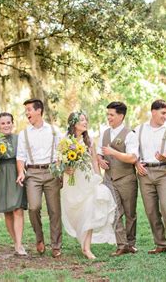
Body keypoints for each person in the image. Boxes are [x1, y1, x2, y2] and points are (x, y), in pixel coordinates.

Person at [61, 111, 117, 259]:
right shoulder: (65, 140)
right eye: (81, 120)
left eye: (86, 120)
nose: (85, 122)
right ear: (73, 123)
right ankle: (82, 240)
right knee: (77, 213)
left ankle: (87, 248)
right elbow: (59, 162)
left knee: (90, 210)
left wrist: (98, 177)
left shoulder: (90, 141)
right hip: (72, 180)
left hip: (87, 179)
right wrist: (66, 168)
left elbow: (93, 161)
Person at [16, 99, 63, 258]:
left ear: (39, 111)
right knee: (34, 207)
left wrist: (58, 169)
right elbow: (20, 156)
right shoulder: (24, 134)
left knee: (54, 211)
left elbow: (60, 152)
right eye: (26, 110)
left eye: (29, 110)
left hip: (51, 173)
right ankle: (39, 237)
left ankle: (56, 245)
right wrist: (21, 172)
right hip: (33, 174)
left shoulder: (54, 131)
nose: (27, 113)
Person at [135, 99, 166, 258]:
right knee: (151, 211)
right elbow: (133, 151)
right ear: (153, 112)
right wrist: (136, 163)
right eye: (163, 113)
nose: (165, 116)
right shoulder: (139, 130)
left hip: (163, 172)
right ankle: (161, 243)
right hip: (145, 173)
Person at [97, 101, 139, 256]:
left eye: (111, 115)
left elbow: (132, 158)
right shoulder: (104, 134)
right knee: (115, 212)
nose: (109, 117)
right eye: (108, 114)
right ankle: (121, 244)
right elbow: (98, 153)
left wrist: (113, 152)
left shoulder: (130, 135)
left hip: (126, 179)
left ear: (121, 116)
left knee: (130, 213)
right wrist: (100, 160)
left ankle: (130, 243)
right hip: (109, 179)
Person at [0, 113, 27, 256]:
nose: (6, 125)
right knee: (8, 211)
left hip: (16, 173)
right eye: (3, 123)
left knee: (17, 209)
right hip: (1, 174)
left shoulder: (19, 139)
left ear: (12, 123)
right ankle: (15, 242)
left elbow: (24, 157)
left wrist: (22, 171)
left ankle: (19, 244)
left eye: (8, 122)